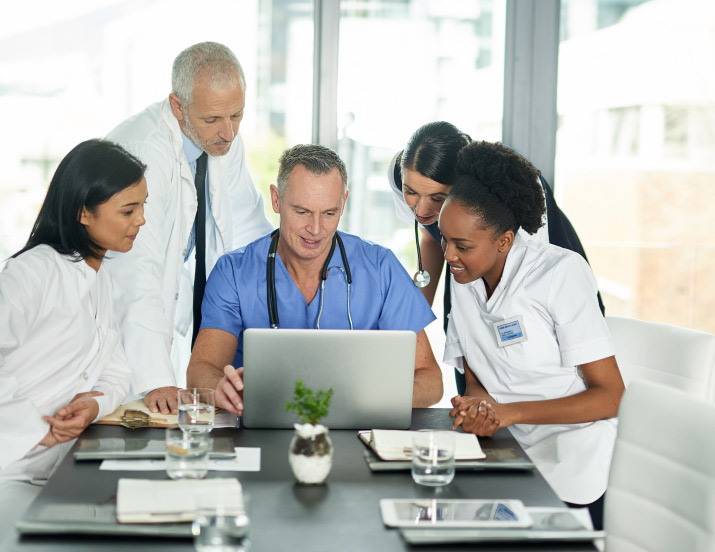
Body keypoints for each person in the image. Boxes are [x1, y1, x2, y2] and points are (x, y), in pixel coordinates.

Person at [0, 139, 146, 550]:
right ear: (84, 211)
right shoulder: (34, 271)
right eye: (128, 210)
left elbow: (117, 370)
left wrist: (94, 404)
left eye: (142, 207)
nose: (141, 220)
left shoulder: (101, 280)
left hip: (43, 471)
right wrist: (33, 431)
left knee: (134, 525)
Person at [440, 141, 625, 529]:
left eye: (462, 245)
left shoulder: (559, 274)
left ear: (504, 240)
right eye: (443, 239)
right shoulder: (464, 276)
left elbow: (611, 396)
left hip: (573, 447)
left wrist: (510, 413)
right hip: (506, 445)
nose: (448, 255)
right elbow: (476, 378)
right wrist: (480, 409)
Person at [187, 144, 444, 415]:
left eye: (329, 213)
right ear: (276, 200)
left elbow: (430, 380)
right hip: (256, 434)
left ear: (343, 204)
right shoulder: (233, 273)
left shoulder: (381, 268)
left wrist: (364, 397)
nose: (316, 229)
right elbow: (202, 369)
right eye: (302, 212)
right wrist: (219, 388)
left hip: (357, 436)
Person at [106, 41, 272, 415]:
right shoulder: (144, 151)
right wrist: (155, 378)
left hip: (172, 311)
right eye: (213, 119)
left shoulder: (221, 138)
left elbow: (248, 224)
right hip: (118, 322)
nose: (228, 132)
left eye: (238, 115)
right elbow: (136, 271)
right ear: (178, 107)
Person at [387, 121, 604, 395]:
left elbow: (525, 278)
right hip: (471, 263)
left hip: (546, 287)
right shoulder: (402, 176)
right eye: (411, 193)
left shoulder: (505, 190)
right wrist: (410, 325)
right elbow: (431, 235)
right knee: (471, 373)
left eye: (438, 197)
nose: (421, 207)